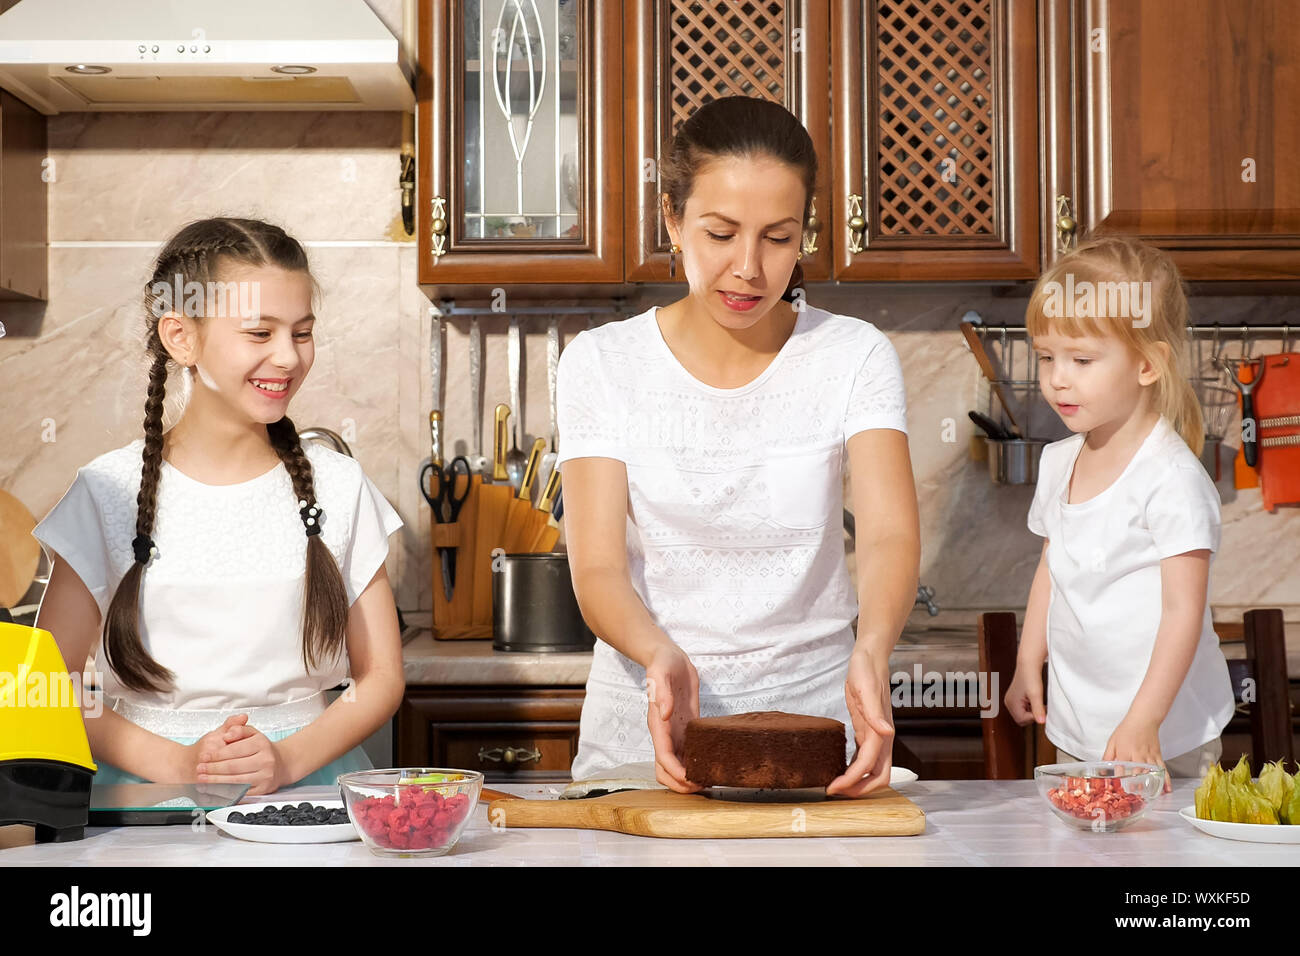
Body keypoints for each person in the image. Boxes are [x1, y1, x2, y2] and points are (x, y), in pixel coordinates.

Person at [556, 96, 920, 796]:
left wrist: (872, 649)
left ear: (806, 234)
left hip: (810, 725)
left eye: (778, 237)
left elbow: (889, 535)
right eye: (720, 233)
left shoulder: (854, 355)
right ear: (673, 218)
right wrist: (659, 655)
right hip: (646, 723)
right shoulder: (601, 363)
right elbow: (597, 567)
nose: (748, 268)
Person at [32, 217, 406, 796]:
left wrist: (283, 760)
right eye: (260, 333)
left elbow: (380, 677)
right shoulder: (106, 491)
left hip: (311, 787)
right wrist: (183, 766)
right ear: (181, 337)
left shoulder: (339, 485)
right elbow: (49, 685)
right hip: (142, 798)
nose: (287, 357)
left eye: (302, 333)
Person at [1004, 236, 1234, 792]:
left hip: (1167, 733)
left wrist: (1144, 720)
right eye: (1046, 356)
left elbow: (1184, 612)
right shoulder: (1060, 461)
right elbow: (1051, 567)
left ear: (1148, 365)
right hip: (1079, 725)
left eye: (1081, 360)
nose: (1058, 377)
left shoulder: (1171, 479)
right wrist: (1027, 659)